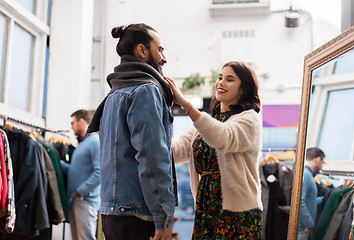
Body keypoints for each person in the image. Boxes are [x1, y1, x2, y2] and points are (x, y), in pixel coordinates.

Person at [86, 24, 176, 240]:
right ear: (142, 51)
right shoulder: (146, 90)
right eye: (160, 49)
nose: (164, 58)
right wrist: (164, 215)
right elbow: (152, 158)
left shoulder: (114, 94)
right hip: (138, 216)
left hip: (112, 212)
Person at [165, 61, 263, 239]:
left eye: (230, 79)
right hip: (206, 205)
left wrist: (186, 105)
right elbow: (175, 151)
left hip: (237, 210)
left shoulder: (250, 119)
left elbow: (223, 138)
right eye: (220, 78)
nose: (221, 83)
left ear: (244, 89)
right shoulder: (205, 123)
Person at [60, 109, 101, 240]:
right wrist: (54, 160)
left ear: (82, 121)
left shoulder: (95, 141)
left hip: (85, 201)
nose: (71, 127)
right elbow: (74, 170)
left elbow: (100, 172)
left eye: (73, 123)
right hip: (77, 201)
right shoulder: (83, 144)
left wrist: (80, 192)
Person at [298, 147, 325, 240]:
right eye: (323, 162)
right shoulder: (306, 174)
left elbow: (309, 200)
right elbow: (299, 201)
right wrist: (310, 224)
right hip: (302, 229)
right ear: (318, 159)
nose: (322, 165)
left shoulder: (307, 174)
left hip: (303, 228)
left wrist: (323, 199)